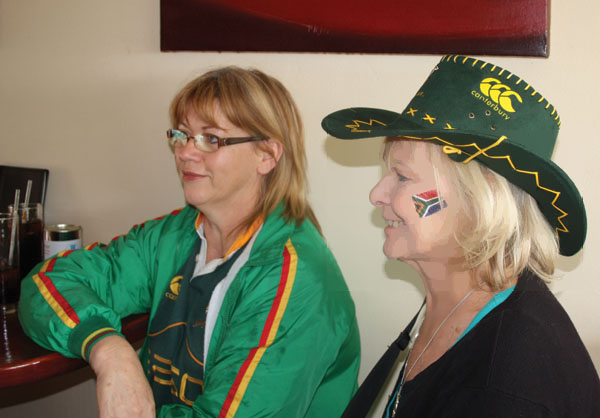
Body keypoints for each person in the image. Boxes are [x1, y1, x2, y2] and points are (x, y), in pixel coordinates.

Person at [19, 67, 360, 417]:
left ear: (267, 156)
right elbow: (46, 282)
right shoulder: (174, 234)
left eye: (211, 139)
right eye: (181, 135)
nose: (185, 152)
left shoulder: (296, 278)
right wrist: (108, 349)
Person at [322, 55, 600, 417]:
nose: (377, 194)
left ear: (478, 200)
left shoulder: (506, 383)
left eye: (402, 176)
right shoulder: (460, 303)